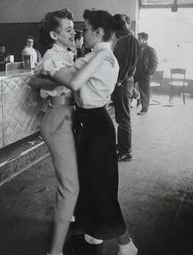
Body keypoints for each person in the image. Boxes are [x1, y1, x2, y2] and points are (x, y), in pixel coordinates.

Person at [30, 9, 137, 255]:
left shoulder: (99, 56)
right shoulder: (88, 55)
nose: (79, 32)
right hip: (80, 122)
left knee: (97, 187)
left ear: (98, 32)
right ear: (54, 34)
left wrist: (41, 80)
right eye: (70, 29)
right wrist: (42, 79)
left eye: (83, 28)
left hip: (93, 124)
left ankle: (124, 243)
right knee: (87, 185)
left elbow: (72, 81)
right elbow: (64, 79)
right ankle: (93, 235)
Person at [111, 14, 140, 161]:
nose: (115, 34)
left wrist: (119, 81)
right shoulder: (123, 39)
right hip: (120, 82)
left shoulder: (131, 40)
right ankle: (122, 145)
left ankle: (126, 151)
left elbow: (130, 65)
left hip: (123, 83)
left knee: (124, 118)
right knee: (120, 116)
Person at [134, 32, 158, 115]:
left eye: (139, 38)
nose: (138, 40)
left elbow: (154, 64)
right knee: (128, 84)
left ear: (145, 40)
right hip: (137, 73)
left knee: (145, 91)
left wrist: (148, 72)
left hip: (145, 74)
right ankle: (137, 97)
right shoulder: (137, 48)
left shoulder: (150, 50)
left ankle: (144, 109)